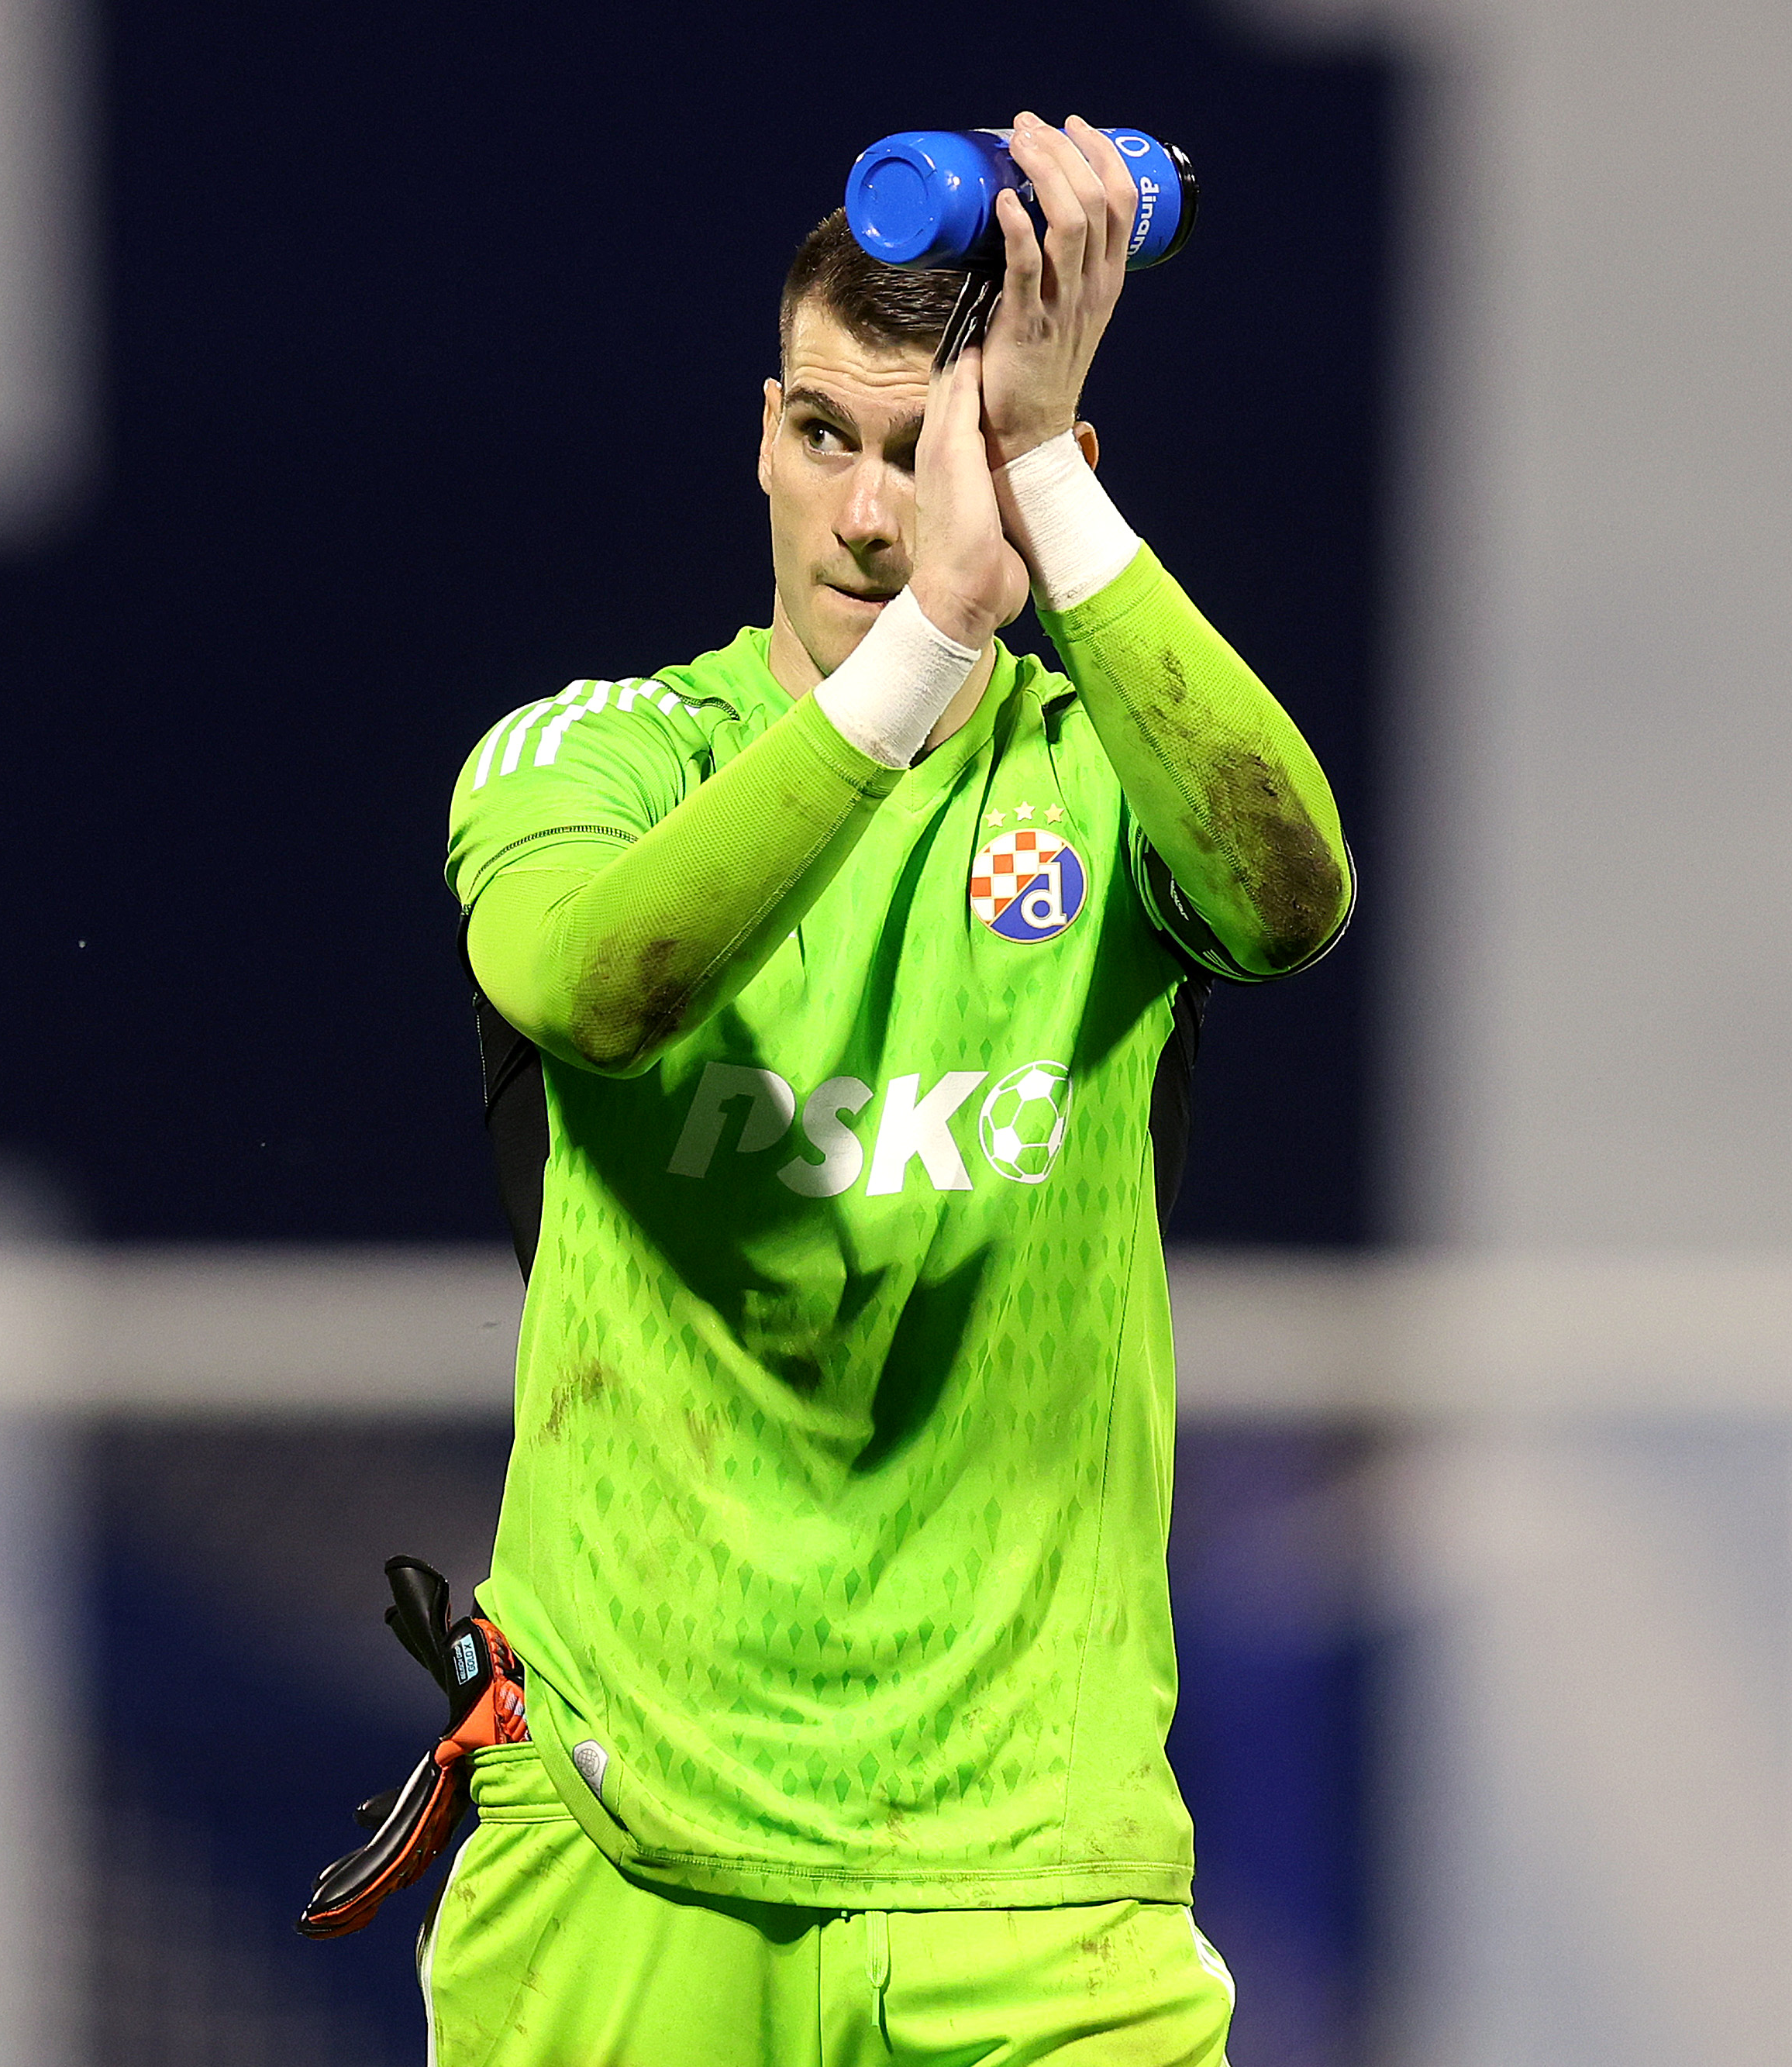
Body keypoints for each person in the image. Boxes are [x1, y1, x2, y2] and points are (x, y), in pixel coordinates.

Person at [429, 112, 1350, 2065]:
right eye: (824, 436)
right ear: (762, 437)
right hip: (625, 1832)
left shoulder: (1097, 777)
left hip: (1037, 1865)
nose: (867, 513)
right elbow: (593, 985)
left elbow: (1289, 897)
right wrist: (927, 646)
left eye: (924, 451)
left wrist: (1034, 481)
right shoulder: (592, 758)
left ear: (1024, 464)